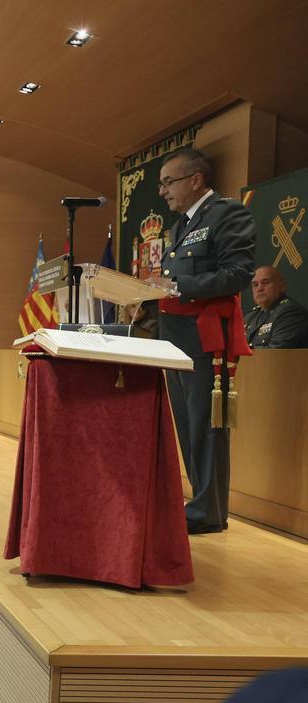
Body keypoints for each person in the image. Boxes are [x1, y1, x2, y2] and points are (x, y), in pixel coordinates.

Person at [155, 147, 256, 534]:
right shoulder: (181, 226)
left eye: (169, 182)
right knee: (187, 424)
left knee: (206, 425)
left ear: (195, 180)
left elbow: (237, 273)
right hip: (175, 339)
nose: (163, 191)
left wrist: (176, 286)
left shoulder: (228, 214)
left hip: (205, 338)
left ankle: (208, 512)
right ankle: (199, 501)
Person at [244, 266, 308, 348]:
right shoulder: (250, 317)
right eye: (255, 285)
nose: (259, 288)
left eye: (266, 282)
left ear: (282, 286)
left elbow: (276, 352)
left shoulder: (291, 312)